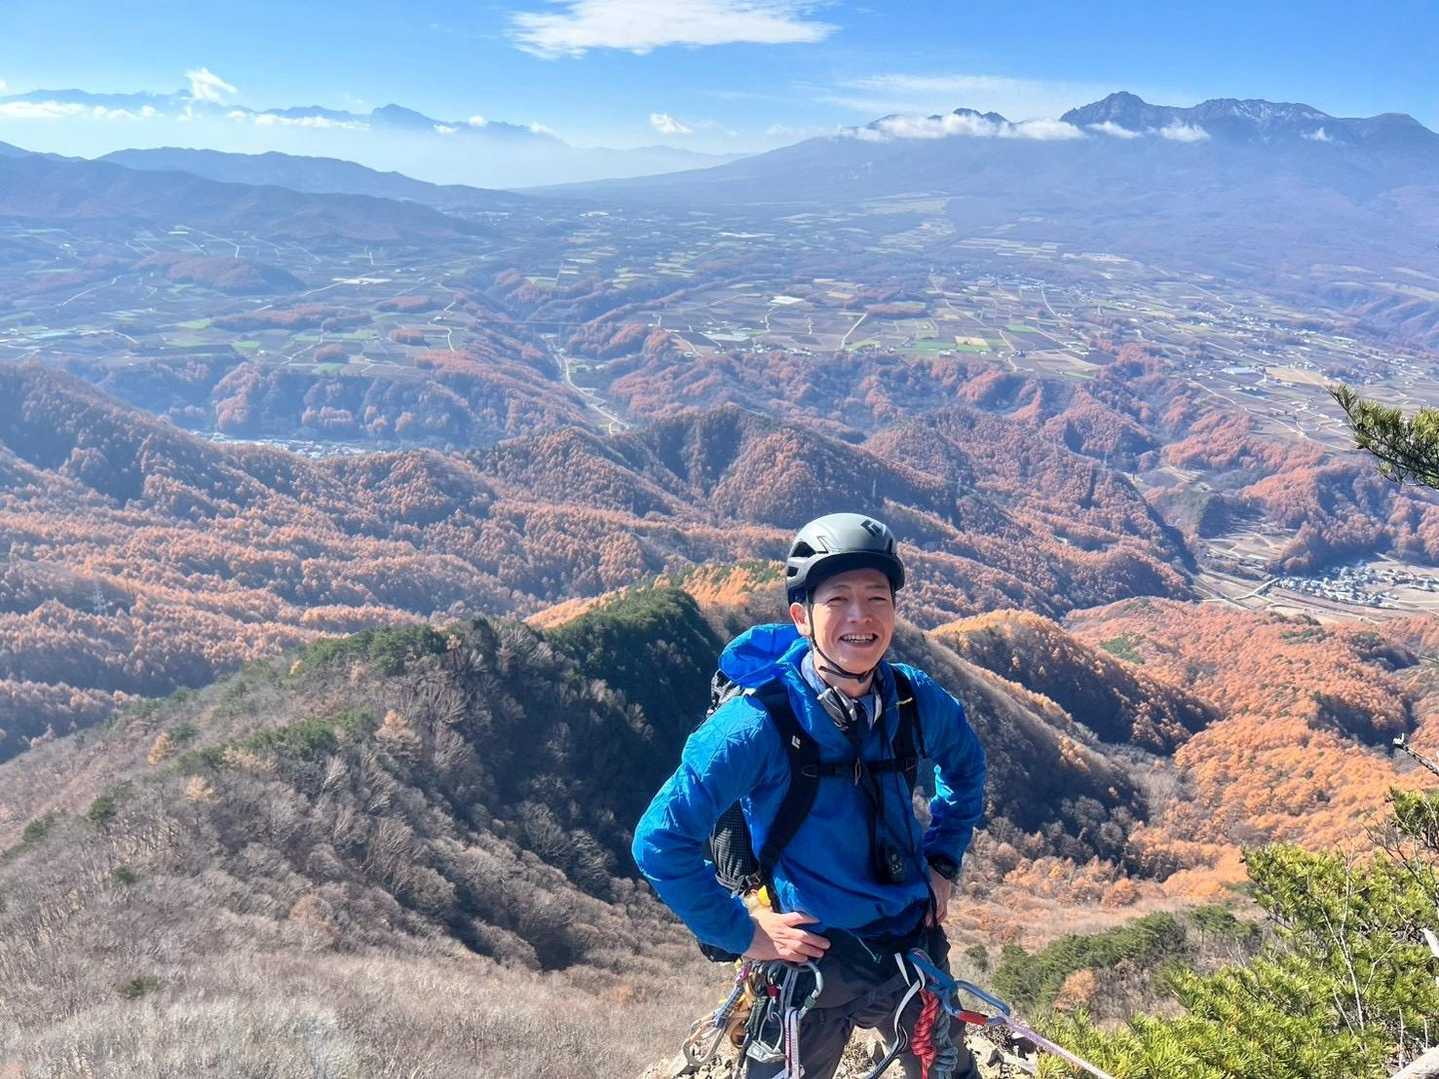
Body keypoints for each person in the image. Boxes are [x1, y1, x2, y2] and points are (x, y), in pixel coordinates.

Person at [632, 513, 987, 1079]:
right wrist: (742, 932)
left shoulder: (913, 700)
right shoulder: (756, 725)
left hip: (909, 942)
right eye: (837, 599)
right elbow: (659, 841)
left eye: (876, 597)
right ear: (801, 617)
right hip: (808, 957)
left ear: (894, 610)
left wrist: (943, 857)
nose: (860, 616)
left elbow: (966, 768)